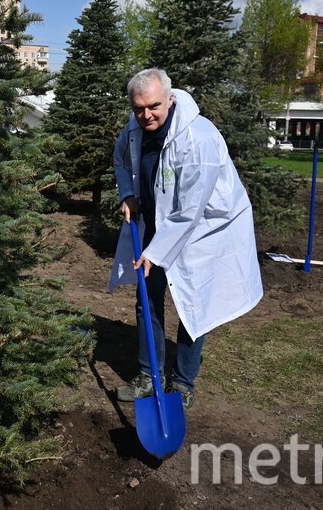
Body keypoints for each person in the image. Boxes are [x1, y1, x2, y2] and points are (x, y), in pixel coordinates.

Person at [108, 68, 263, 409]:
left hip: (205, 230)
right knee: (147, 296)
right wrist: (128, 193)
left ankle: (182, 383)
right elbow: (120, 159)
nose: (146, 115)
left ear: (170, 99)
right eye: (138, 108)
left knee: (194, 304)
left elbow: (192, 209)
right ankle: (150, 375)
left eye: (153, 106)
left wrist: (156, 252)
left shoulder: (198, 137)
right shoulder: (134, 129)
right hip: (158, 224)